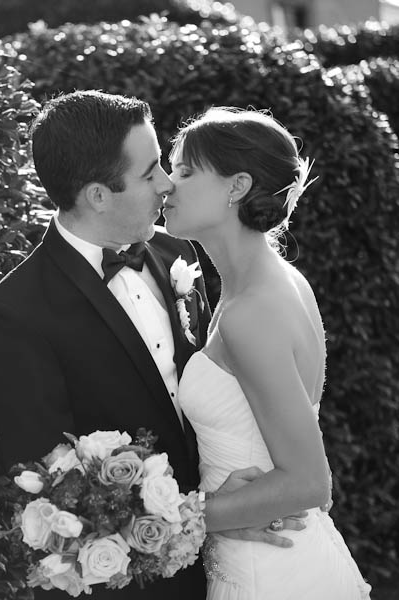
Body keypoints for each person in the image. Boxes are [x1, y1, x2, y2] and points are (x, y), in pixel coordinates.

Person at [0, 91, 298, 600]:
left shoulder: (176, 250)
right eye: (150, 173)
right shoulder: (17, 314)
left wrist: (243, 505)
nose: (167, 184)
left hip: (232, 560)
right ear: (98, 195)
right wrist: (206, 517)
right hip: (133, 584)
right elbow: (53, 492)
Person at [164, 106, 372, 599]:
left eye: (185, 172)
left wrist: (185, 518)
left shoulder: (252, 311)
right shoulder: (271, 283)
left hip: (269, 573)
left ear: (237, 187)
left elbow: (308, 482)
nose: (167, 185)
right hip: (274, 556)